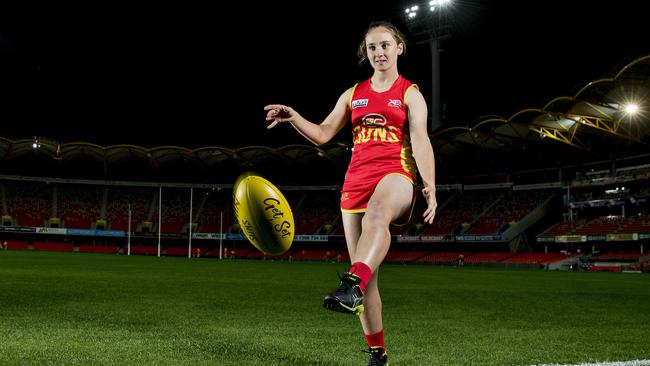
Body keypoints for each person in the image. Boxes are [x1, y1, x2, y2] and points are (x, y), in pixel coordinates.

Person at [264, 21, 437, 366]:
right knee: (366, 283)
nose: (379, 52)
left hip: (396, 174)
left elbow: (420, 138)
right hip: (354, 183)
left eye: (385, 45)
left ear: (399, 48)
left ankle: (351, 282)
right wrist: (295, 117)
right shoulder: (353, 93)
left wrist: (430, 186)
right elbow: (324, 133)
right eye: (372, 47)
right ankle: (378, 354)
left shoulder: (409, 93)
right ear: (366, 53)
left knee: (375, 221)